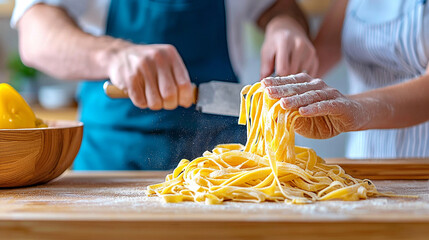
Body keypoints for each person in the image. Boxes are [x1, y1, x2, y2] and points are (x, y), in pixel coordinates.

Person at [12, 0, 317, 170]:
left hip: (227, 158)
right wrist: (114, 55)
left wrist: (285, 25)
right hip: (111, 155)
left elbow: (279, 6)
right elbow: (36, 31)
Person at [262, 0, 429, 158]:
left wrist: (356, 107)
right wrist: (288, 41)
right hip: (363, 157)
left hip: (422, 160)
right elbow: (323, 50)